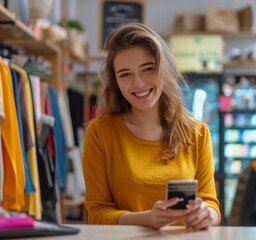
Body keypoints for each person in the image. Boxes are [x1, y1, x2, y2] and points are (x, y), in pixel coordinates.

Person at [82, 23, 220, 230]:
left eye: (148, 69)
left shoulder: (198, 133)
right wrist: (147, 219)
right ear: (116, 81)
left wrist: (206, 214)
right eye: (125, 74)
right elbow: (97, 214)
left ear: (163, 70)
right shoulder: (100, 133)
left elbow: (212, 205)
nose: (138, 83)